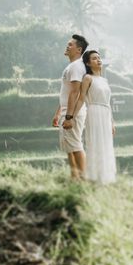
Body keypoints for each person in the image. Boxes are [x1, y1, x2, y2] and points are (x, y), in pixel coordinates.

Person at [72, 49, 116, 184]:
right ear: (88, 63)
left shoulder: (104, 79)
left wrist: (112, 122)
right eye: (94, 58)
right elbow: (81, 99)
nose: (98, 60)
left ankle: (105, 177)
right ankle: (93, 177)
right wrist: (71, 116)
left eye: (99, 57)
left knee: (106, 144)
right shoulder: (87, 78)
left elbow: (108, 103)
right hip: (93, 112)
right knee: (95, 142)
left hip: (105, 114)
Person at [52, 34, 88, 180]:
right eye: (67, 44)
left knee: (75, 145)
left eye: (70, 45)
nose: (67, 46)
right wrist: (58, 113)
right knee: (69, 146)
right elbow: (66, 93)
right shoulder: (72, 66)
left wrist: (69, 117)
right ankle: (75, 177)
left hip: (72, 113)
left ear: (79, 50)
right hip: (67, 111)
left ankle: (84, 179)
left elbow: (75, 93)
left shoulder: (76, 67)